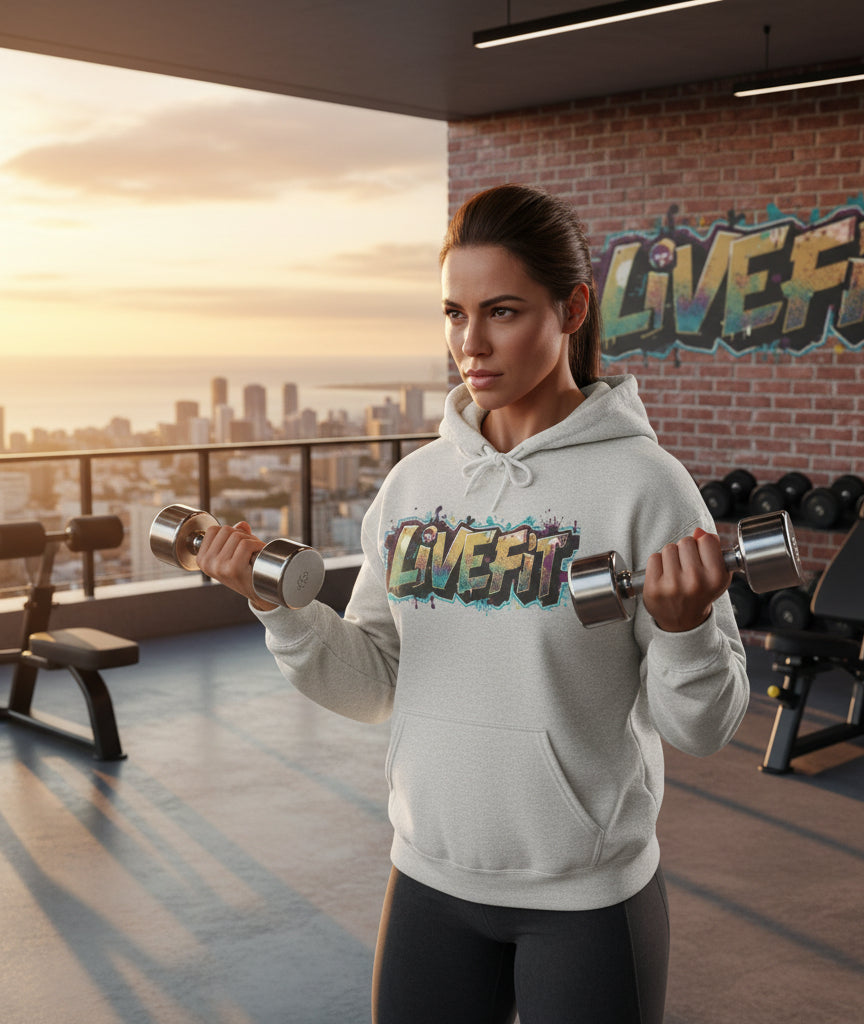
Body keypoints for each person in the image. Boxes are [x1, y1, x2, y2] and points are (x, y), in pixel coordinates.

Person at [196, 183, 749, 1024]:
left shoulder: (646, 485)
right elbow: (375, 680)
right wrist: (281, 610)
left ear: (571, 309)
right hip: (428, 880)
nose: (470, 343)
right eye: (454, 313)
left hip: (587, 897)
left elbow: (703, 729)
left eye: (501, 311)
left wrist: (684, 631)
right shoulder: (416, 484)